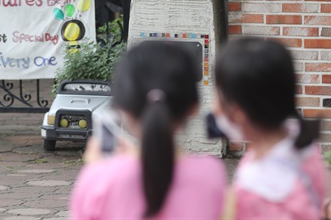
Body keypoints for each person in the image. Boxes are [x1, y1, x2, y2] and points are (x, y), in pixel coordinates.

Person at [69, 40, 227, 219]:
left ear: (122, 108)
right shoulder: (211, 174)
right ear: (194, 107)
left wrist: (99, 170)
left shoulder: (99, 179)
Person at [214, 37, 327, 220]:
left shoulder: (256, 193)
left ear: (238, 111)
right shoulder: (302, 145)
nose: (215, 107)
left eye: (218, 95)